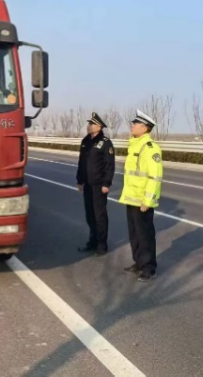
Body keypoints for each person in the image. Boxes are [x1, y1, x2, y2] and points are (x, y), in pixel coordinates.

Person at [119, 110, 163, 282]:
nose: (132, 125)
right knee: (134, 234)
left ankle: (149, 268)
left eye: (135, 123)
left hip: (142, 201)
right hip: (132, 198)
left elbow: (155, 176)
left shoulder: (150, 148)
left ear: (144, 128)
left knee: (145, 235)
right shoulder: (135, 145)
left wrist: (147, 200)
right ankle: (138, 262)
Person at [76, 112, 115, 257]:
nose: (89, 126)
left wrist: (106, 183)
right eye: (89, 124)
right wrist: (79, 180)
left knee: (100, 216)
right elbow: (81, 163)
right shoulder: (86, 141)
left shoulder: (105, 143)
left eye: (92, 124)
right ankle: (92, 241)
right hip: (87, 184)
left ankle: (101, 245)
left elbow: (110, 165)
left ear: (99, 127)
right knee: (90, 215)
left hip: (99, 185)